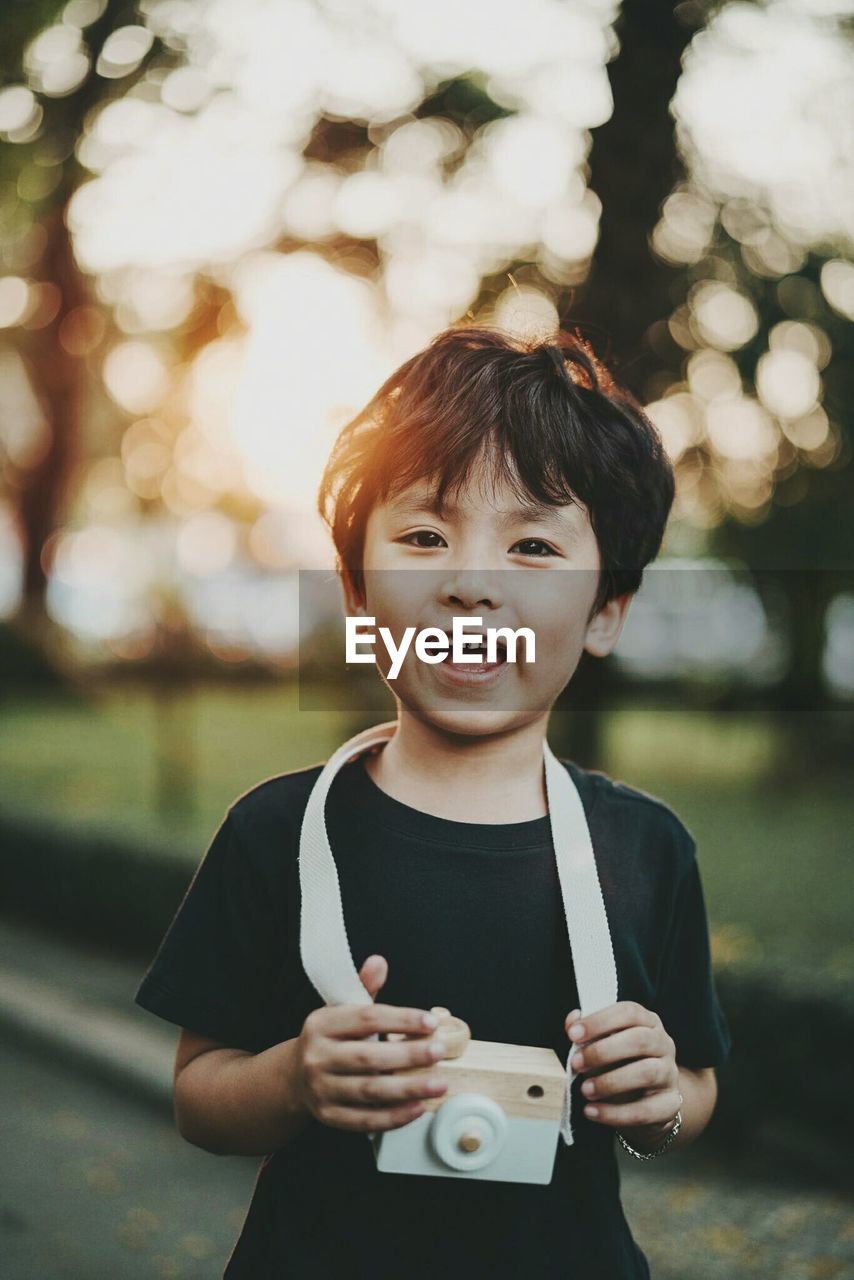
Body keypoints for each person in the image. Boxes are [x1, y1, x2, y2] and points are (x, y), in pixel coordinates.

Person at [135, 324, 732, 1279]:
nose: (471, 586)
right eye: (424, 536)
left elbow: (691, 1092)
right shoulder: (279, 833)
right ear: (360, 595)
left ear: (606, 611)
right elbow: (200, 1099)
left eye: (534, 545)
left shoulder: (648, 849)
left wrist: (657, 1095)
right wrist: (294, 1078)